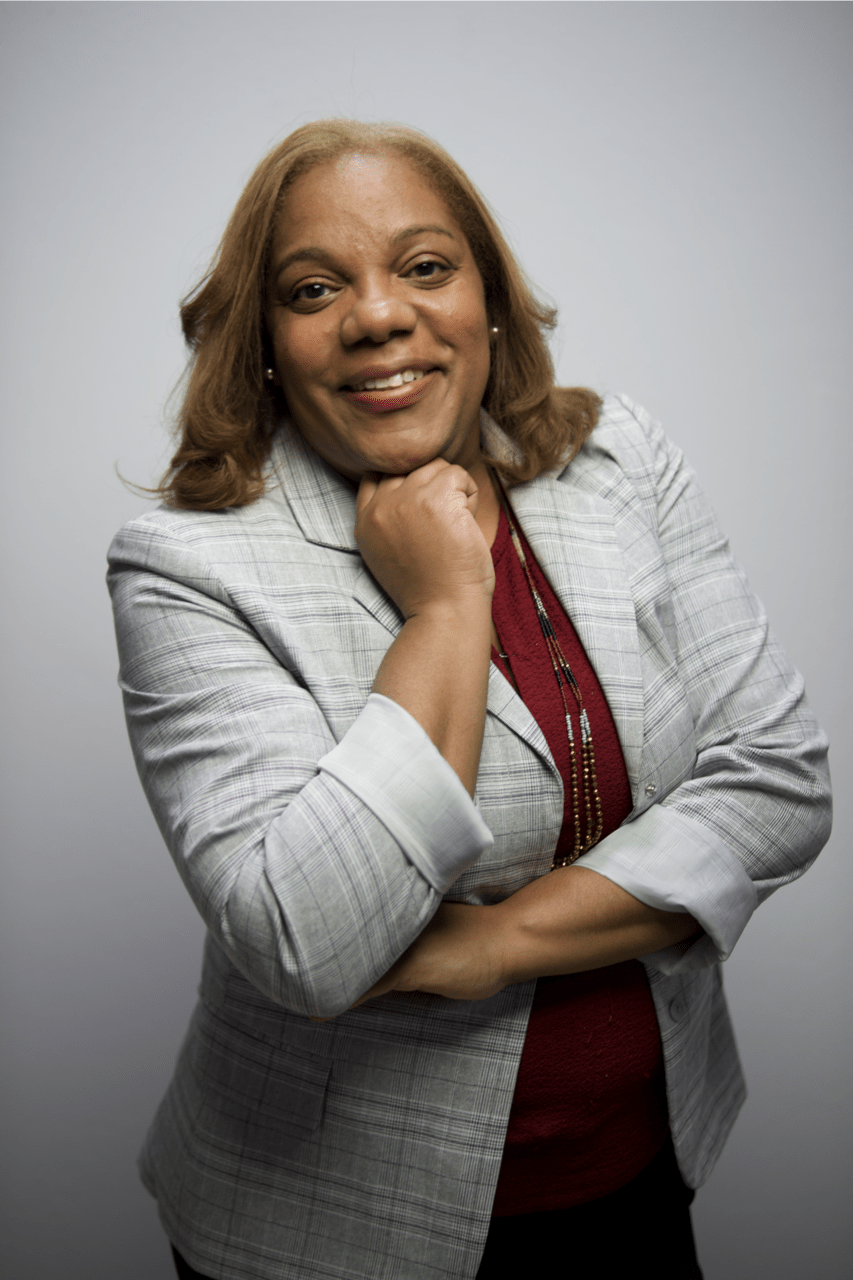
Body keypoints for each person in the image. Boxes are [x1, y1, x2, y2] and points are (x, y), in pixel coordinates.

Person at [108, 120, 831, 1280]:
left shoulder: (618, 462)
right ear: (265, 342)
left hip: (640, 1169)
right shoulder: (190, 568)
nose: (379, 314)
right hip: (329, 1228)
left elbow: (780, 783)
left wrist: (488, 945)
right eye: (313, 286)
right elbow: (308, 942)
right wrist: (447, 607)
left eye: (425, 266)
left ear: (487, 301)